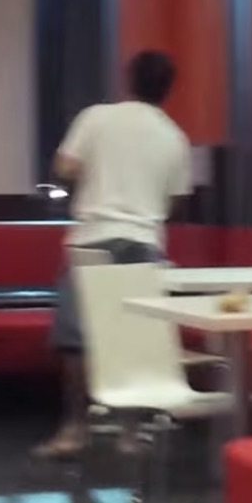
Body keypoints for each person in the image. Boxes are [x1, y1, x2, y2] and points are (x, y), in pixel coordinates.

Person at [32, 50, 192, 459]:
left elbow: (65, 168)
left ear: (128, 79)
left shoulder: (96, 118)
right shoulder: (174, 137)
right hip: (143, 242)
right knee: (134, 341)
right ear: (169, 90)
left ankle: (74, 430)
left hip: (92, 239)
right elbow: (175, 201)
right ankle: (129, 433)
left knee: (76, 341)